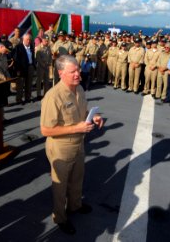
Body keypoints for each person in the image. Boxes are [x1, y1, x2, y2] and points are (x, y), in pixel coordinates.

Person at [40, 55, 104, 235]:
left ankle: (75, 205)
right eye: (73, 71)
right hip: (61, 148)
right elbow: (45, 130)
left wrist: (94, 117)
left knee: (77, 178)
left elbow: (82, 111)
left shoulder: (80, 89)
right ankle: (60, 217)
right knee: (60, 186)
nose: (78, 74)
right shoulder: (53, 97)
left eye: (78, 70)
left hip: (79, 143)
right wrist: (77, 127)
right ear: (61, 73)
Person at [13, 33, 36, 104]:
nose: (28, 41)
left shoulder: (31, 46)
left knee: (29, 84)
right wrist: (18, 70)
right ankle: (19, 99)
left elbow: (32, 57)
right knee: (20, 85)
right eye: (27, 39)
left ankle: (27, 98)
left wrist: (33, 65)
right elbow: (16, 59)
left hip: (30, 67)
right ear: (23, 39)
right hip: (22, 68)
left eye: (29, 39)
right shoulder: (18, 47)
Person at [35, 34, 52, 99]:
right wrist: (43, 64)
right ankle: (38, 95)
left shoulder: (48, 47)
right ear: (42, 40)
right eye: (45, 41)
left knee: (46, 81)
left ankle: (46, 94)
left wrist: (49, 63)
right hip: (40, 67)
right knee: (39, 81)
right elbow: (37, 58)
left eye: (47, 41)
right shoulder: (39, 47)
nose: (47, 42)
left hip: (47, 67)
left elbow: (50, 55)